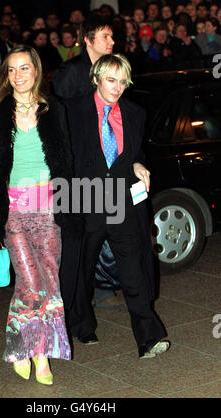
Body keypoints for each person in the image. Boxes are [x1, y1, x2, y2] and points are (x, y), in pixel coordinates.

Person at [0, 44, 74, 385]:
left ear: (36, 70)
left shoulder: (52, 109)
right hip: (13, 211)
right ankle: (27, 349)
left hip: (48, 210)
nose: (17, 76)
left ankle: (39, 354)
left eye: (24, 68)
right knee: (29, 283)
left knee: (49, 282)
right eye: (11, 70)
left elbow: (66, 160)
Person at [62, 53, 170, 358]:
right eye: (111, 79)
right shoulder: (73, 111)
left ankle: (149, 336)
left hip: (121, 201)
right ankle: (82, 325)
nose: (117, 87)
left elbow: (135, 152)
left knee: (133, 269)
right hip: (85, 198)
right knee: (81, 269)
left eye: (123, 81)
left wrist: (138, 163)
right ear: (96, 78)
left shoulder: (135, 113)